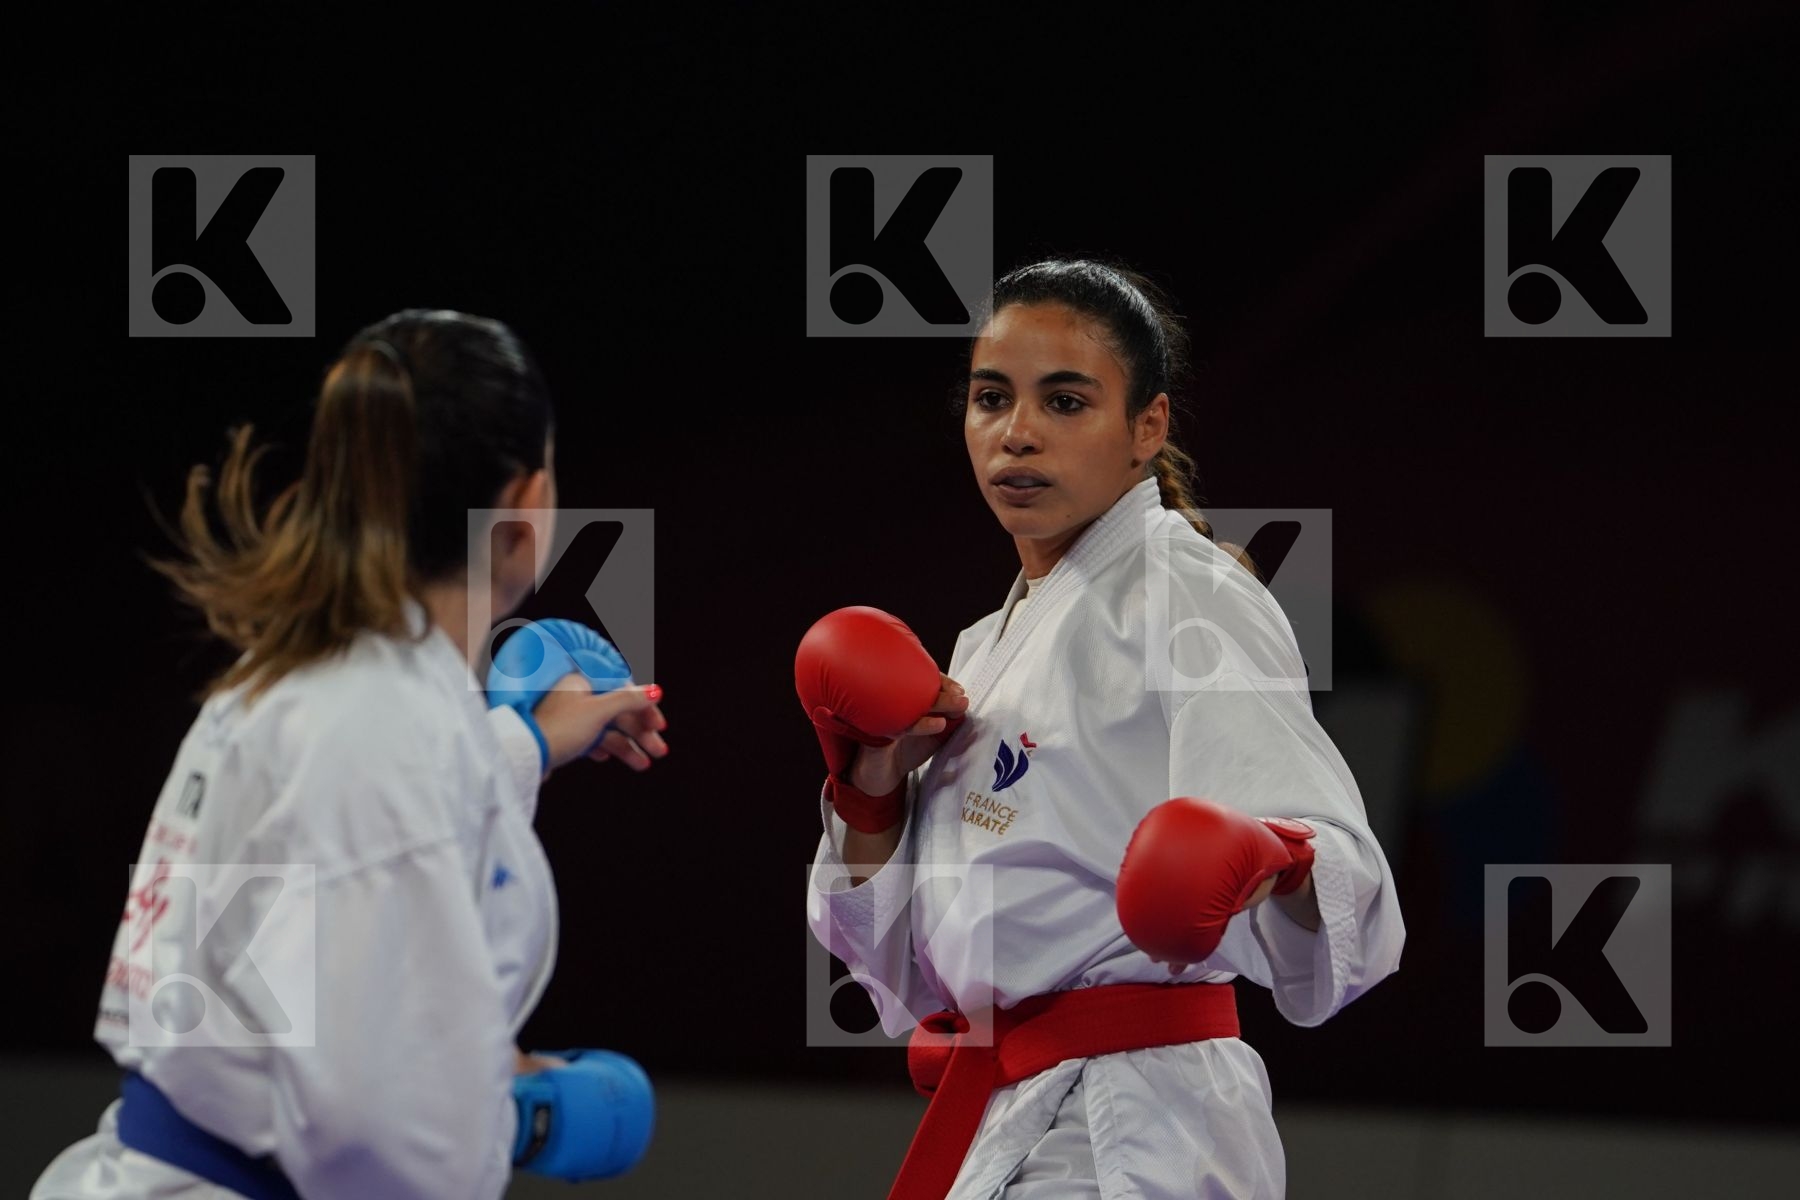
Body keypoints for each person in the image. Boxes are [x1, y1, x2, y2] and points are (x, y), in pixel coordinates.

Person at [32, 309, 668, 1200]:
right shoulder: (386, 737)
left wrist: (522, 740)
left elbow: (299, 902)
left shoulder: (305, 674)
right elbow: (366, 1135)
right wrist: (518, 1108)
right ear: (524, 510)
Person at [803, 261, 1404, 1198]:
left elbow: (1349, 887)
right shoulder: (981, 649)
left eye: (1067, 400)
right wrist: (867, 789)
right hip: (1010, 1111)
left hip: (1140, 1125)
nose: (1019, 433)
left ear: (1147, 427)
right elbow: (909, 981)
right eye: (991, 397)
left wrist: (1270, 857)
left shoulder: (1186, 594)